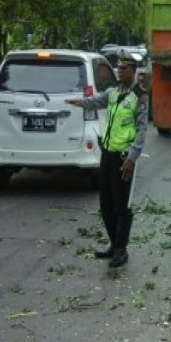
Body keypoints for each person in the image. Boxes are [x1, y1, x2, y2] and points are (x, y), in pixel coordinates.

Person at [65, 49, 148, 268]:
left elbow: (142, 130)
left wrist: (132, 157)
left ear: (132, 70)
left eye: (124, 68)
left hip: (124, 158)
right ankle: (113, 244)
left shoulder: (139, 96)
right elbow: (95, 102)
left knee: (122, 206)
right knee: (106, 204)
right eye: (118, 68)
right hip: (107, 155)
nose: (119, 72)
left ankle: (122, 249)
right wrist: (77, 102)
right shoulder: (112, 93)